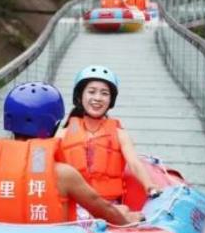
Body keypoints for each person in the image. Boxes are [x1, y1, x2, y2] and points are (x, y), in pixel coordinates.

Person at [0, 82, 142, 225]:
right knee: (122, 210)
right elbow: (104, 209)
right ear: (54, 124)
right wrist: (128, 221)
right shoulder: (64, 174)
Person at [56, 65, 159, 202]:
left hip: (109, 206)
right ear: (80, 96)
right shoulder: (62, 134)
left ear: (111, 100)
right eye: (91, 92)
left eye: (104, 93)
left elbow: (134, 163)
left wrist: (150, 186)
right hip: (75, 205)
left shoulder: (120, 134)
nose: (98, 98)